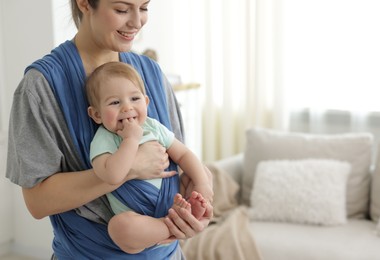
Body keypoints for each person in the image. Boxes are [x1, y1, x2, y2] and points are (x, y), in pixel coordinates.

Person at [5, 0, 213, 259]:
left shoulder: (152, 75)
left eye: (145, 7)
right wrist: (129, 168)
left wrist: (196, 214)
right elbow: (37, 203)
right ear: (84, 3)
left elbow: (178, 168)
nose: (137, 22)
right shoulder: (41, 86)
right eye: (122, 9)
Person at [86, 61, 213, 253]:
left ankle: (189, 211)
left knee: (198, 171)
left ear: (146, 102)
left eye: (134, 98)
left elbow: (184, 154)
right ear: (96, 114)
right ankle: (169, 225)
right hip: (140, 217)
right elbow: (111, 176)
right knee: (120, 227)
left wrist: (202, 183)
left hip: (175, 195)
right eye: (114, 102)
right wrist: (131, 139)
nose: (127, 108)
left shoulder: (153, 126)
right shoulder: (103, 140)